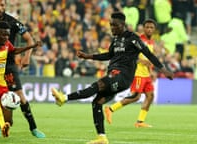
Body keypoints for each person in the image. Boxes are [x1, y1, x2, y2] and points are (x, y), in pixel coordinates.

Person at [51, 12, 174, 144]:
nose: (112, 28)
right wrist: (88, 57)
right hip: (115, 75)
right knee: (97, 102)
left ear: (122, 25)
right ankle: (102, 137)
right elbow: (108, 55)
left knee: (98, 85)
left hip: (122, 76)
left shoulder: (133, 38)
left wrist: (163, 70)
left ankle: (64, 98)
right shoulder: (115, 40)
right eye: (110, 25)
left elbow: (149, 54)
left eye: (114, 25)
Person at [0, 0, 45, 138]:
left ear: (5, 6)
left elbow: (29, 39)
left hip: (8, 65)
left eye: (2, 5)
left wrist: (27, 56)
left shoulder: (13, 22)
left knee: (20, 96)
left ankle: (33, 128)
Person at [104, 19, 158, 127]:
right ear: (143, 28)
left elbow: (149, 59)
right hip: (137, 72)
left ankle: (140, 122)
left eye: (151, 27)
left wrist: (151, 71)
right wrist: (142, 61)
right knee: (136, 97)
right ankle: (110, 109)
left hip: (146, 74)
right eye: (147, 27)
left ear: (154, 30)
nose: (149, 29)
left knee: (150, 96)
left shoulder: (152, 42)